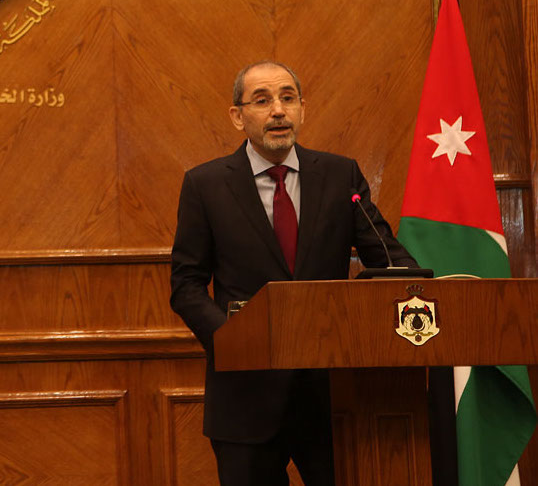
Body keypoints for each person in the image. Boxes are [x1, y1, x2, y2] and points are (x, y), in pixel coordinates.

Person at [169, 61, 417, 486]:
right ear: (237, 116)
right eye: (262, 100)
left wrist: (415, 291)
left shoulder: (341, 176)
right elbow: (186, 285)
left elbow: (389, 262)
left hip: (331, 399)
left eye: (287, 98)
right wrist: (232, 341)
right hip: (245, 398)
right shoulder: (205, 185)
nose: (278, 110)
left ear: (302, 108)